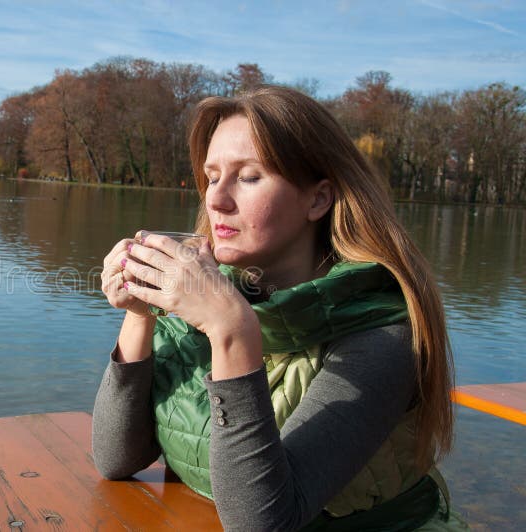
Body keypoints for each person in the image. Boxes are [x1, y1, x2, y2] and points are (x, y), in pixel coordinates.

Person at [93, 86, 469, 531]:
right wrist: (140, 313)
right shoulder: (204, 297)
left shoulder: (381, 339)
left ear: (317, 199)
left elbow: (265, 521)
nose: (215, 199)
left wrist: (230, 331)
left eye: (248, 177)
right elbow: (116, 458)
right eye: (212, 176)